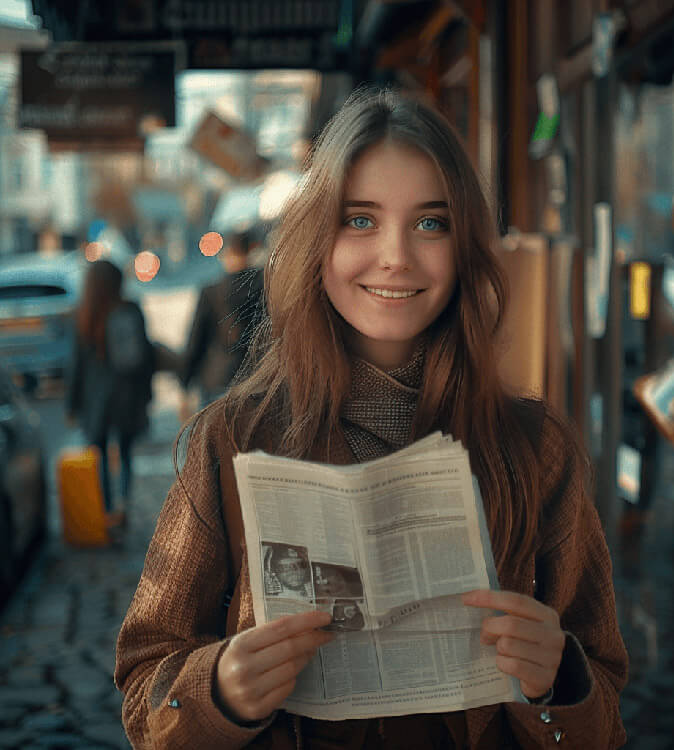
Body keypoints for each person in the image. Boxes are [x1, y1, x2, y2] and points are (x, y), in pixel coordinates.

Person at [115, 88, 628, 748]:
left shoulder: (536, 449)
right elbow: (141, 681)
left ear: (465, 244)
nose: (395, 255)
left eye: (431, 223)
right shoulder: (233, 441)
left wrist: (560, 679)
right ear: (316, 238)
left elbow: (606, 702)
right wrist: (218, 690)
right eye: (360, 220)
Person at [67, 259, 153, 515]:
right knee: (126, 453)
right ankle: (124, 504)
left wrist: (72, 404)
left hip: (96, 401)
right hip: (127, 396)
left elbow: (76, 366)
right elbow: (146, 357)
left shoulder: (84, 316)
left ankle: (105, 509)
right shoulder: (131, 310)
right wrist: (147, 394)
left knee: (100, 456)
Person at [179, 227, 267, 420]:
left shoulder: (211, 291)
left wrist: (184, 385)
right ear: (251, 252)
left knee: (216, 443)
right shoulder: (266, 288)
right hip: (257, 378)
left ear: (226, 254)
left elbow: (196, 339)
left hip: (215, 379)